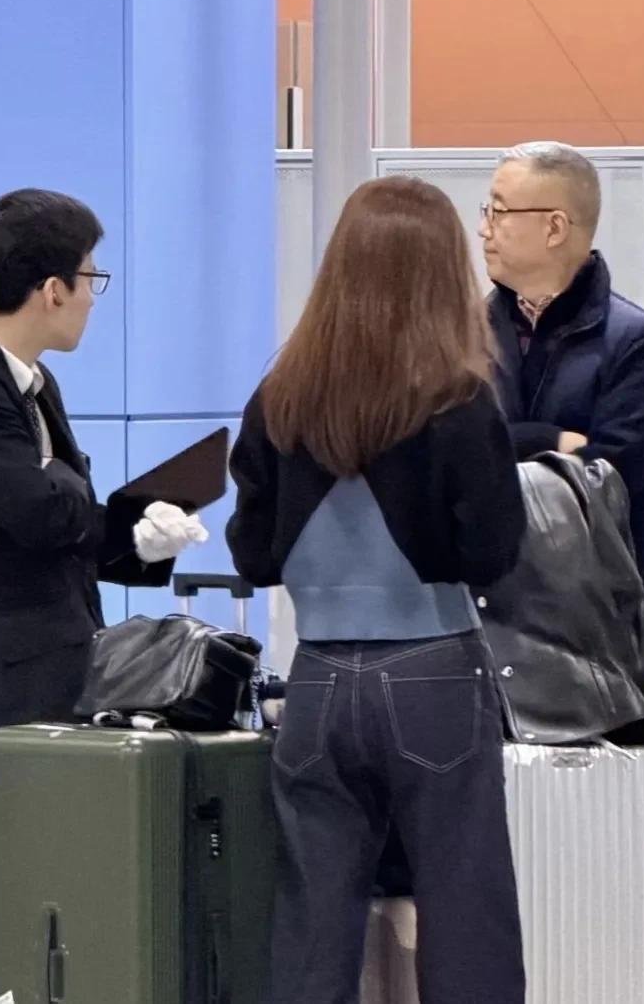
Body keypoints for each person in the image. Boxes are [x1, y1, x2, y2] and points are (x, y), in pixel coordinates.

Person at [226, 175, 528, 1003]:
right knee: (466, 916)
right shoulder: (459, 399)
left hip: (317, 680)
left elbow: (252, 552)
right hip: (434, 671)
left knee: (312, 925)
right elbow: (494, 552)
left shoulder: (279, 400)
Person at [0, 188, 207, 1004]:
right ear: (51, 288)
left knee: (51, 900)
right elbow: (34, 509)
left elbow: (60, 517)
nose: (91, 296)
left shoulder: (33, 383)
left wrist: (137, 536)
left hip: (53, 677)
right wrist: (101, 506)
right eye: (89, 278)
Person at [480, 141, 644, 650]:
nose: (484, 229)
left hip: (597, 618)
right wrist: (552, 439)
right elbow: (442, 457)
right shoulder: (462, 333)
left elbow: (612, 477)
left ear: (554, 227)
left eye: (499, 212)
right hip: (485, 606)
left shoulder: (637, 341)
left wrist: (500, 446)